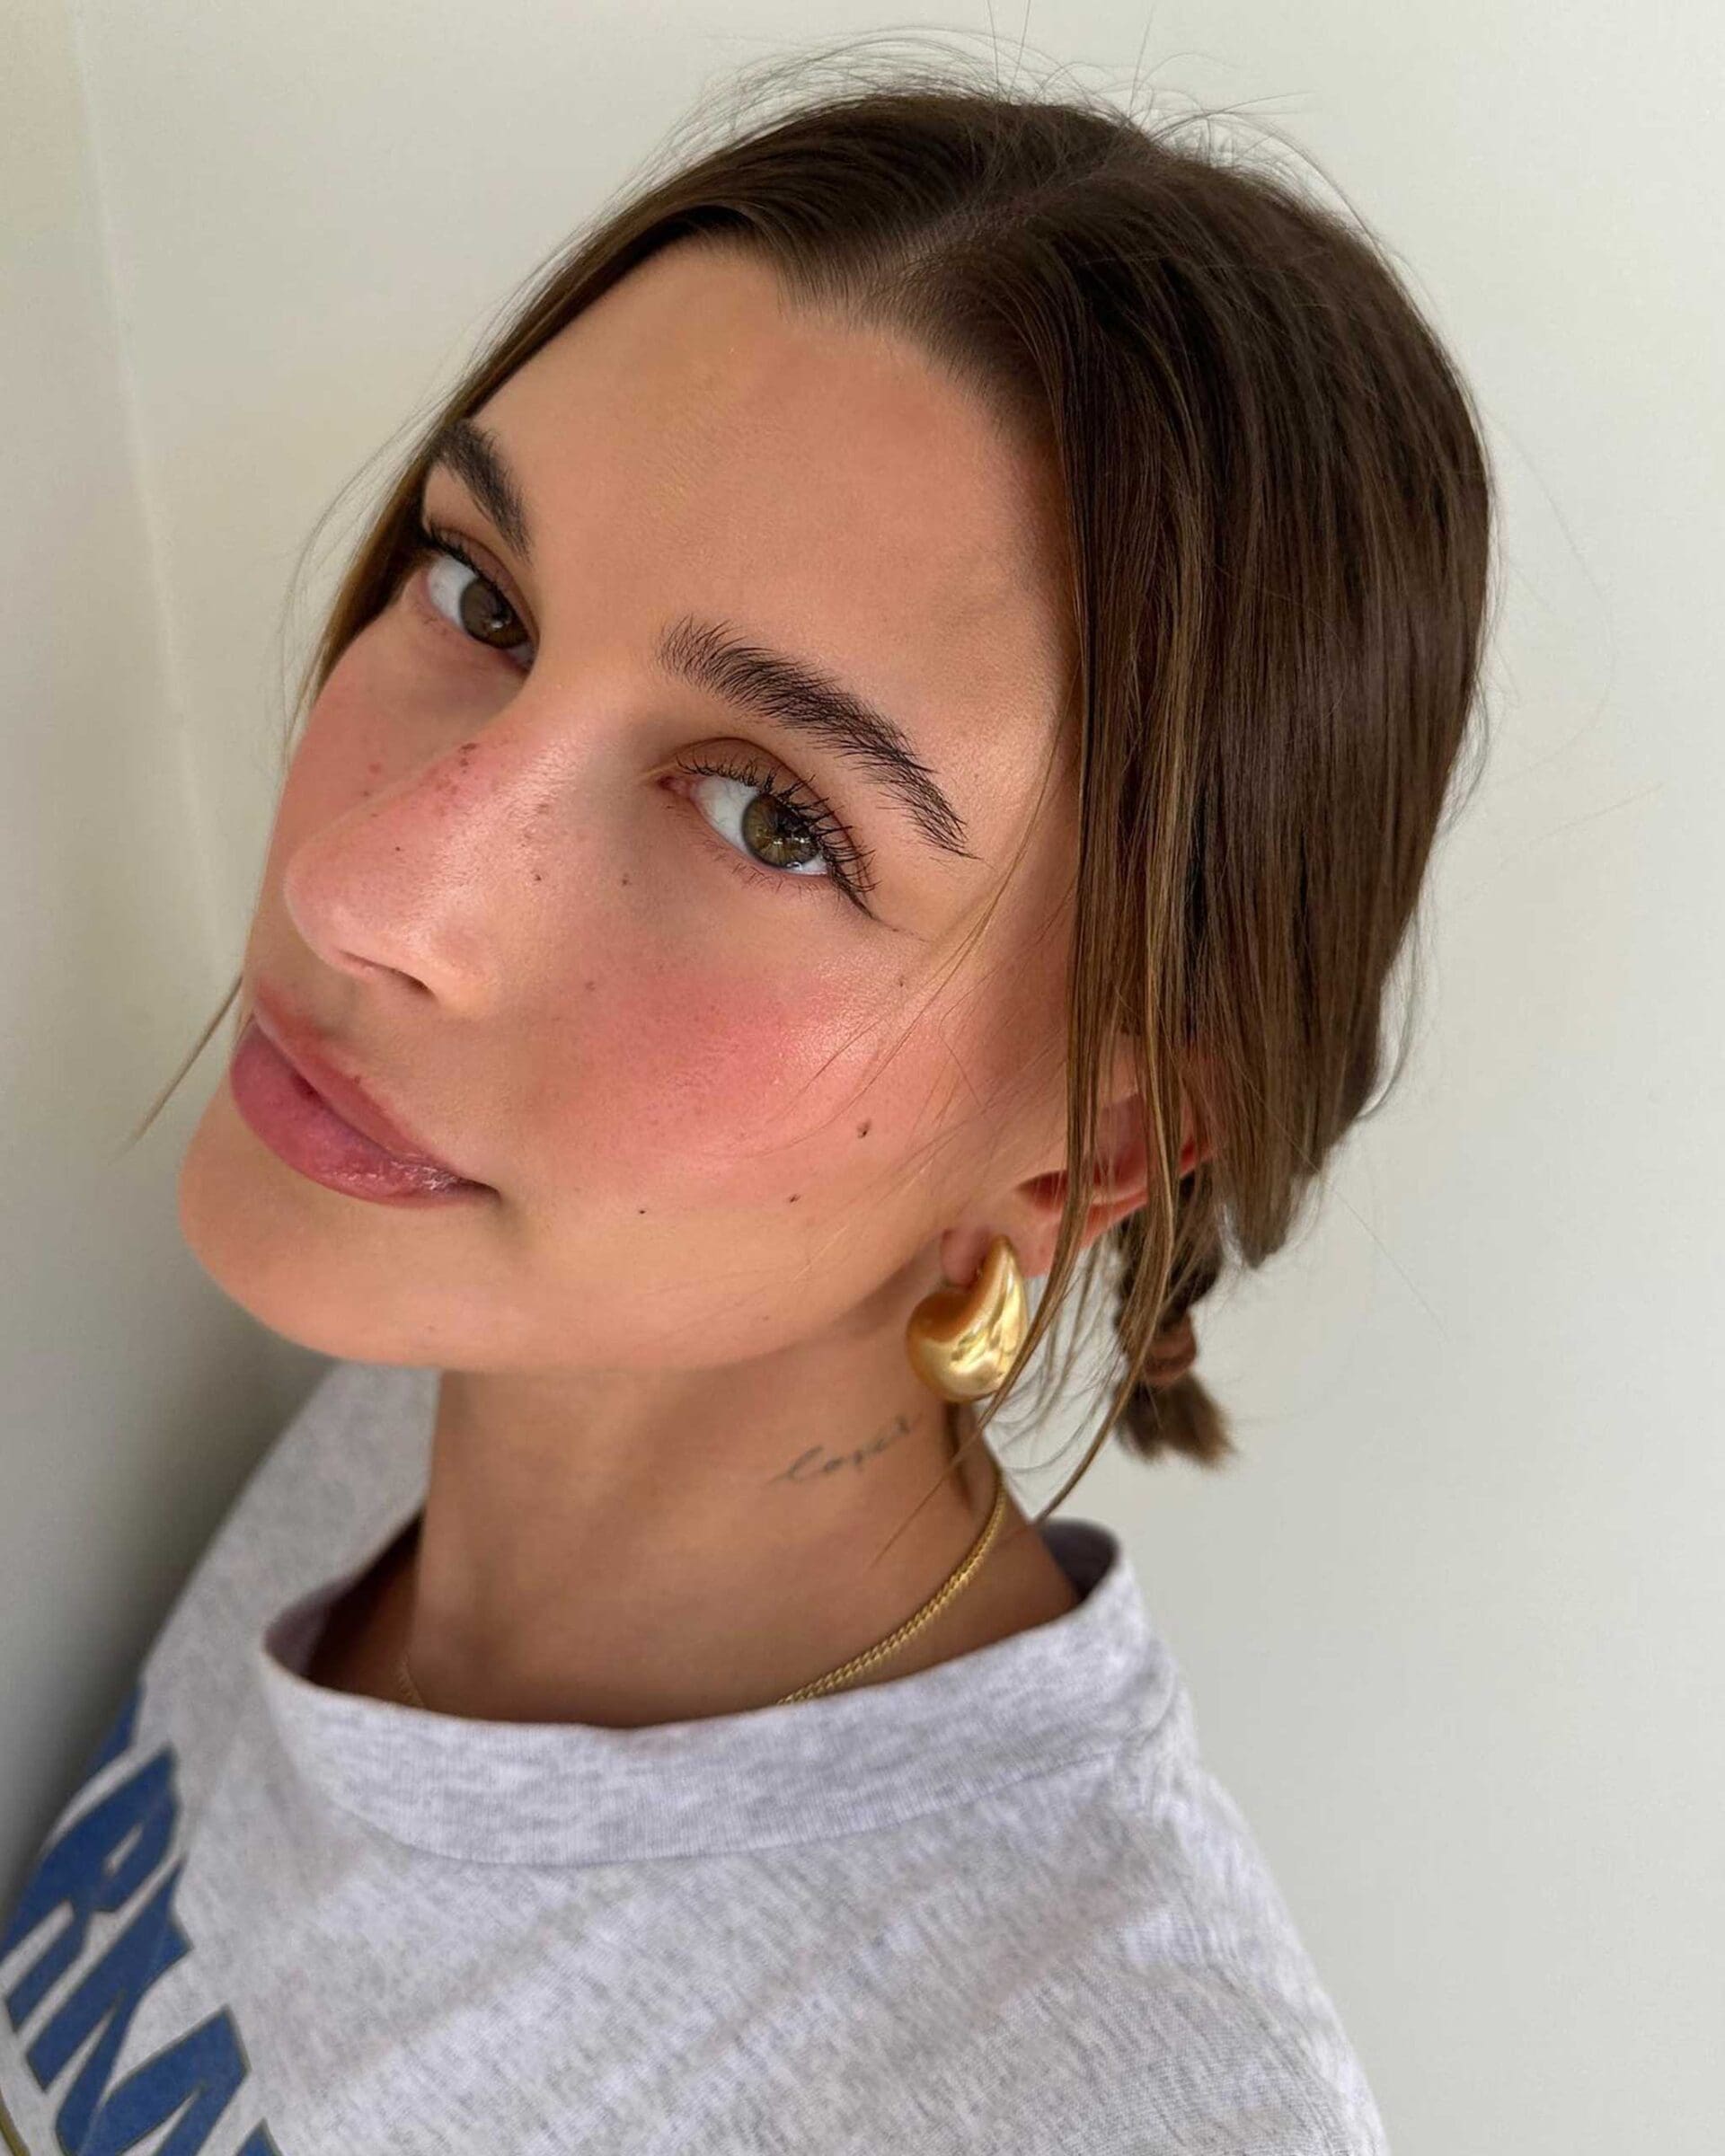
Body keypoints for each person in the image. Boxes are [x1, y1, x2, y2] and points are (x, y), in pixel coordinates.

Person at [0, 49, 1491, 2154]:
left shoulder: (1066, 2105)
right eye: (480, 598)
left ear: (1098, 1147)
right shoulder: (426, 1387)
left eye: (772, 820)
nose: (364, 892)